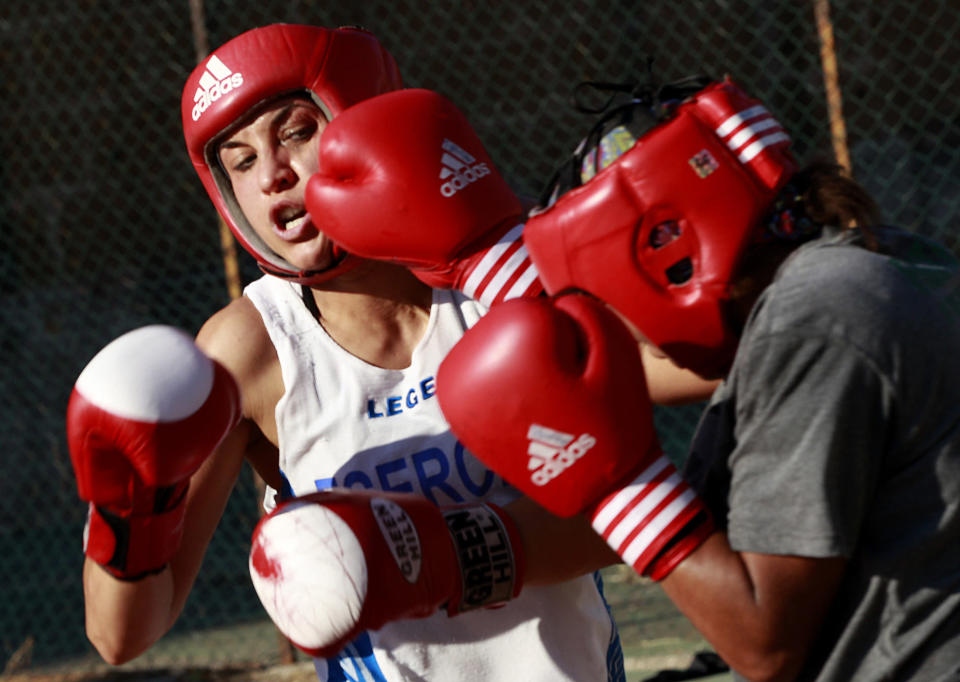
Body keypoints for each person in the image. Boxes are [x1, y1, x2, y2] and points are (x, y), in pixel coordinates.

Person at [65, 23, 719, 681]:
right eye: (240, 160)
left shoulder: (498, 277)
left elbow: (687, 384)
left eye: (294, 132)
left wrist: (448, 555)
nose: (272, 174)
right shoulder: (253, 351)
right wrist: (128, 515)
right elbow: (121, 636)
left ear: (364, 120)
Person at [429, 78, 960, 680]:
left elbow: (766, 644)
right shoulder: (882, 258)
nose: (628, 335)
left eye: (606, 301)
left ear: (665, 252)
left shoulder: (811, 321)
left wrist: (617, 481)